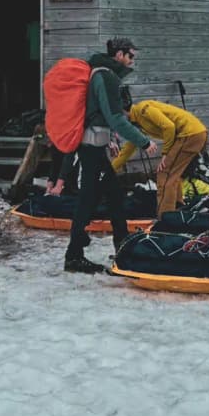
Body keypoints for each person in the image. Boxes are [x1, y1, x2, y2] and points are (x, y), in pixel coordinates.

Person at [64, 37, 157, 274]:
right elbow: (115, 117)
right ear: (119, 55)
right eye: (130, 55)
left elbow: (103, 116)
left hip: (95, 145)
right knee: (88, 198)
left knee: (114, 194)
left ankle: (120, 246)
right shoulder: (106, 76)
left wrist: (113, 140)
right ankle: (74, 256)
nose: (132, 60)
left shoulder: (101, 73)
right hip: (91, 147)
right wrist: (144, 142)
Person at [111, 99, 208, 216]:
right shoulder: (136, 124)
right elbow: (128, 150)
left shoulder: (143, 109)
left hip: (189, 134)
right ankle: (178, 206)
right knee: (172, 175)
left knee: (164, 174)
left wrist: (165, 153)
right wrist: (111, 169)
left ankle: (165, 217)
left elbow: (169, 126)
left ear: (123, 112)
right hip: (192, 135)